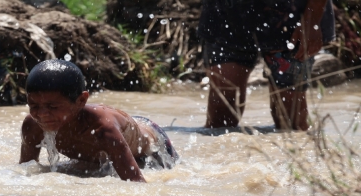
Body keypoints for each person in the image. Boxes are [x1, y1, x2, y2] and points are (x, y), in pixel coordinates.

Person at [19, 59, 179, 183]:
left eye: (52, 106)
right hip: (121, 126)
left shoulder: (104, 130)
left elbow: (136, 184)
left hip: (152, 144)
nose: (42, 114)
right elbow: (27, 170)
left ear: (81, 100)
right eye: (33, 105)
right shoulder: (32, 125)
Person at [198, 0, 336, 130]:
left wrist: (311, 21)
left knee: (290, 120)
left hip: (291, 17)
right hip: (227, 14)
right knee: (220, 119)